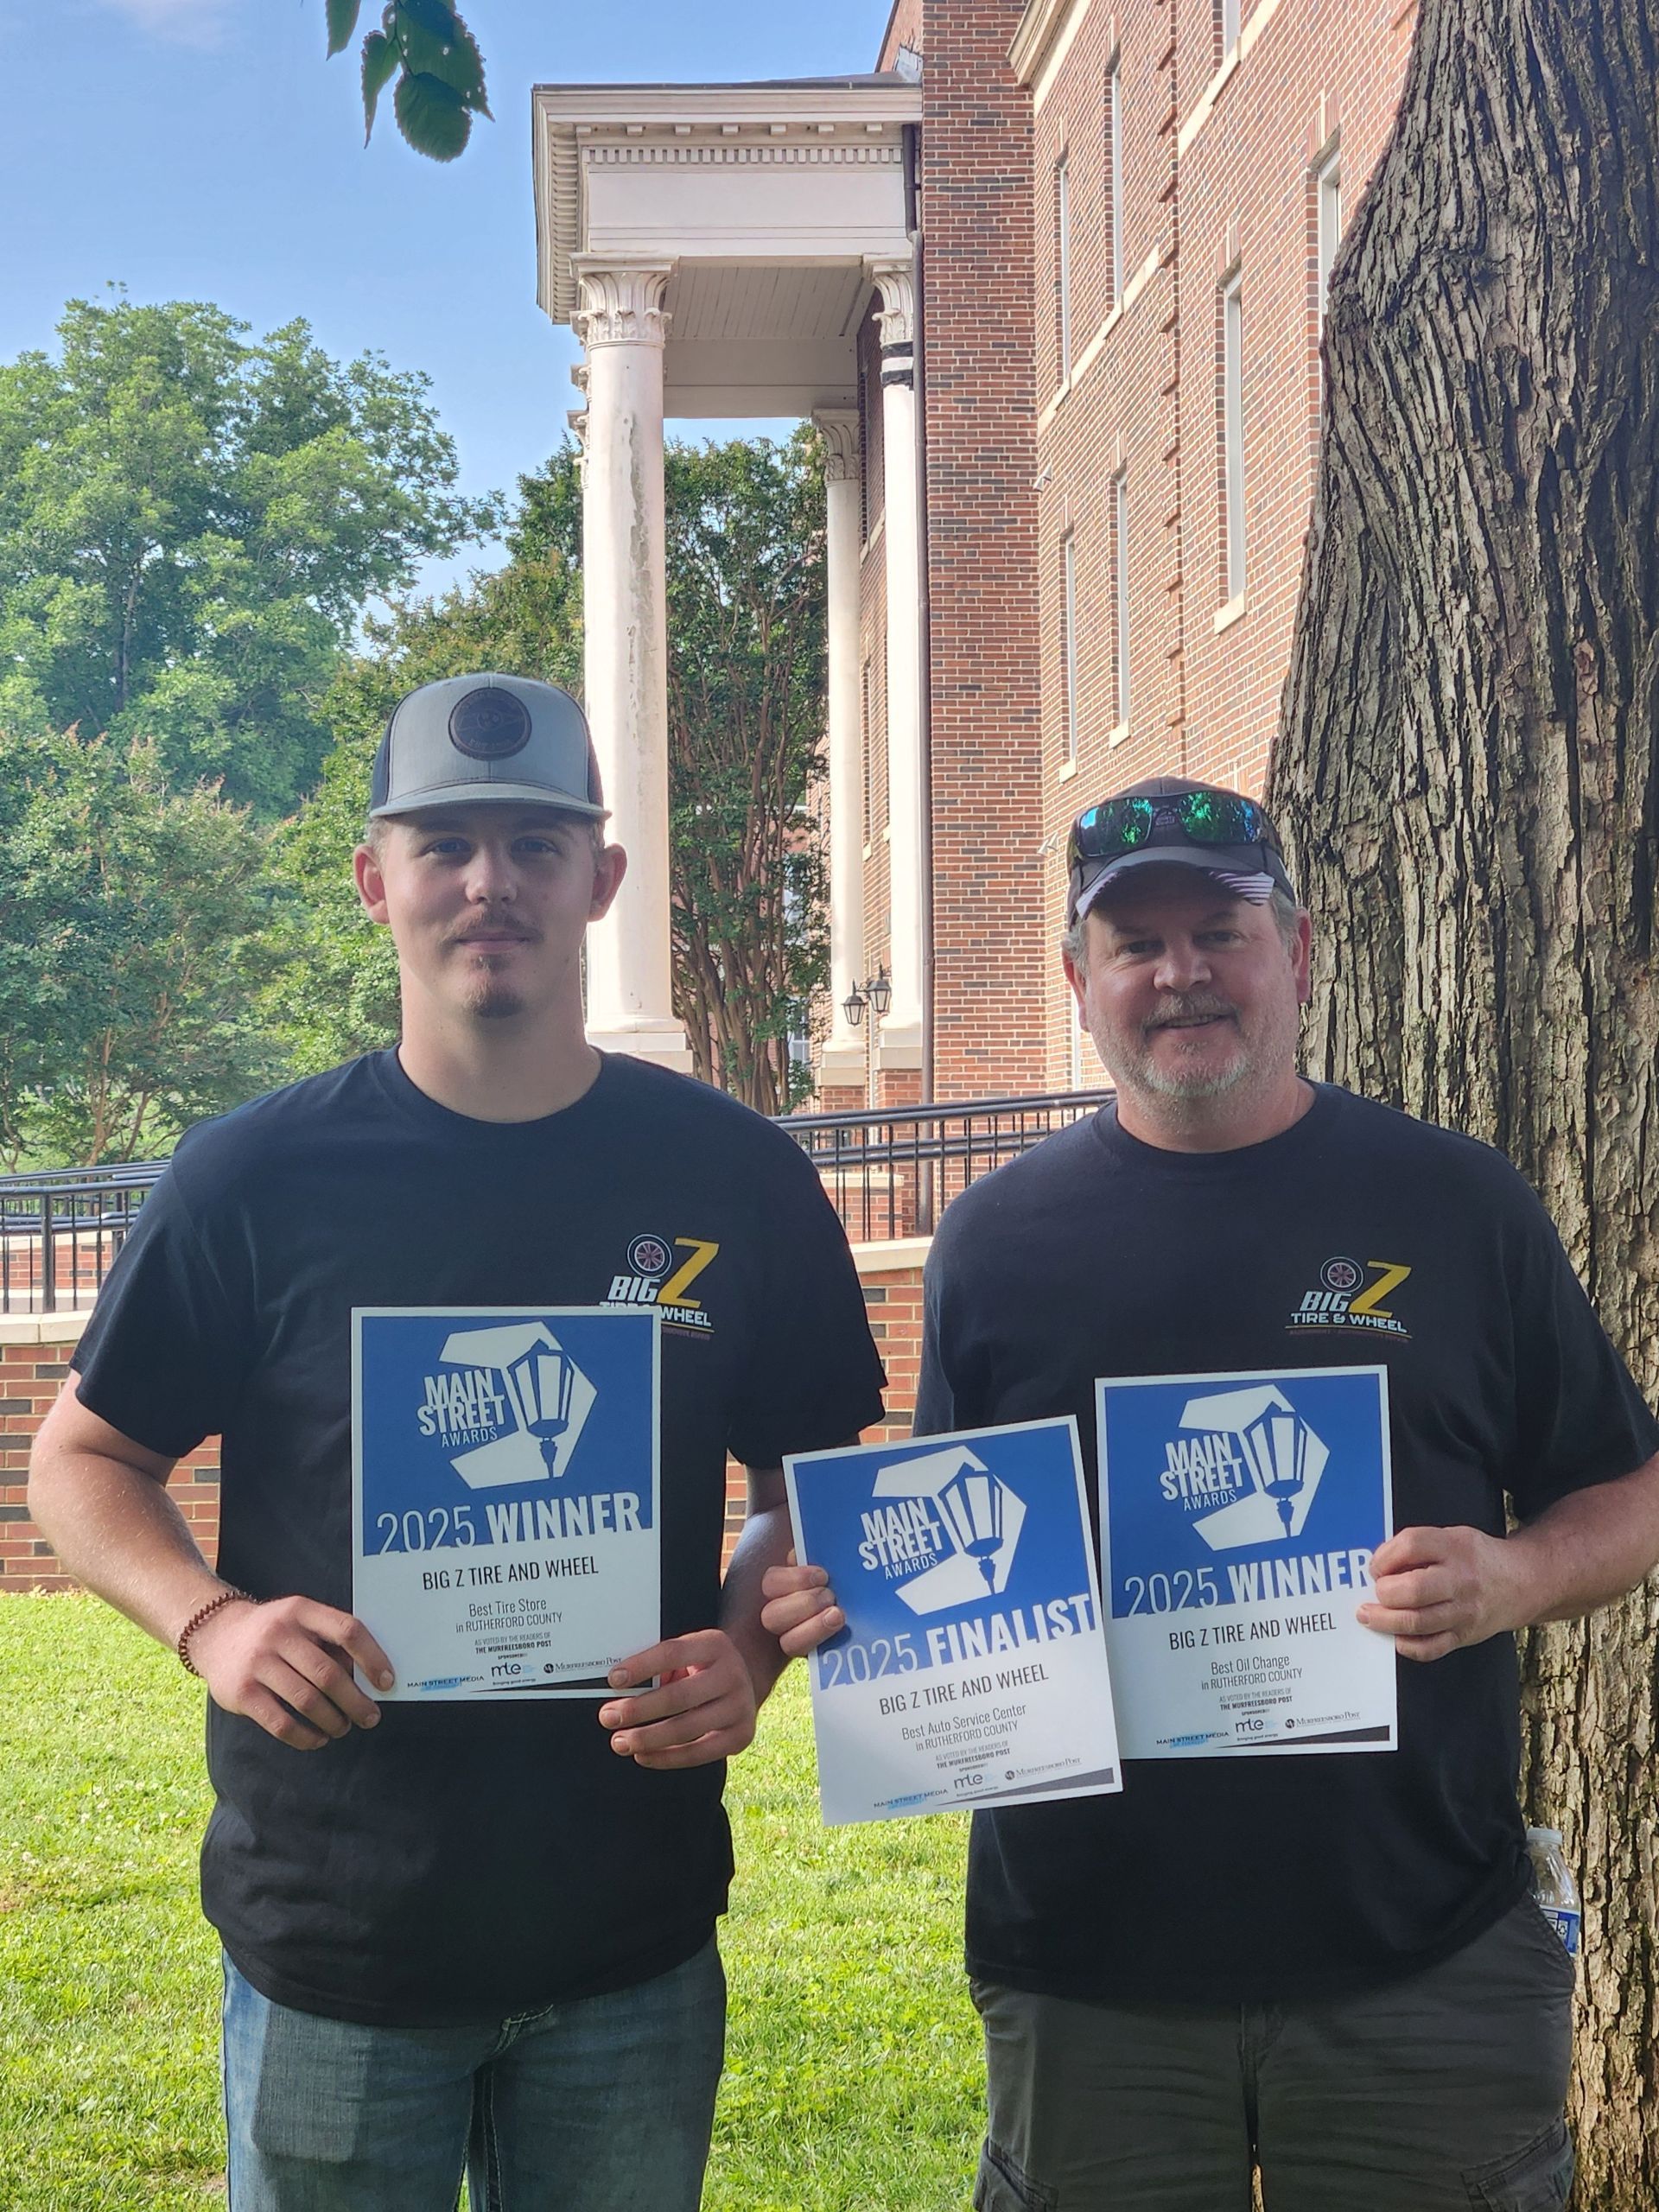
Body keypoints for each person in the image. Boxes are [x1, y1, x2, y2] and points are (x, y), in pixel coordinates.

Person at [29, 673, 885, 2212]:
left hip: (631, 1933)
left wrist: (751, 1652)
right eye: (445, 844)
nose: (491, 880)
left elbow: (817, 1491)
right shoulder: (253, 1178)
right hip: (340, 1940)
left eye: (536, 843)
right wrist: (211, 1621)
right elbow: (79, 1461)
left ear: (599, 881)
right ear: (377, 880)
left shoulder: (739, 1177)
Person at [765, 774, 1659, 2212]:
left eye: (1219, 930)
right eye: (1134, 943)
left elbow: (1630, 1488)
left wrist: (1515, 1579)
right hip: (1089, 1970)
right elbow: (959, 1539)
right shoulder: (994, 1245)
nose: (1179, 973)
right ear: (1079, 980)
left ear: (1296, 955)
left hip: (1417, 1950)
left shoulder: (1453, 1204)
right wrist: (854, 1607)